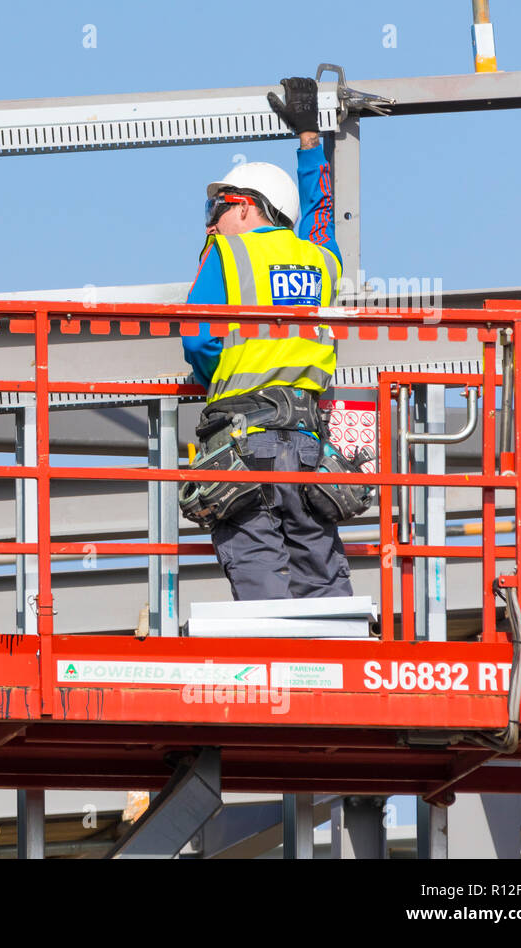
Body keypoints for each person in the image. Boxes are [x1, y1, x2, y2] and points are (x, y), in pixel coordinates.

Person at [180, 77, 353, 601]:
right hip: (308, 445)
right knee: (317, 558)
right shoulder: (322, 261)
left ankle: (279, 667)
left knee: (257, 559)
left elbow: (199, 341)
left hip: (243, 437)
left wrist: (215, 377)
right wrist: (308, 140)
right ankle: (336, 669)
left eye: (219, 208)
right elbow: (319, 217)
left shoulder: (227, 257)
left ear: (246, 207)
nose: (213, 223)